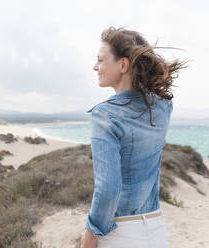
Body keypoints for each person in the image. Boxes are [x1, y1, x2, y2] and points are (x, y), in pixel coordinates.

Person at [80, 26, 189, 248]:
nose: (95, 67)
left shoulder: (105, 115)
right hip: (156, 230)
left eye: (101, 60)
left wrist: (91, 233)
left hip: (119, 234)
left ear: (122, 65)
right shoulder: (163, 108)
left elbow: (108, 189)